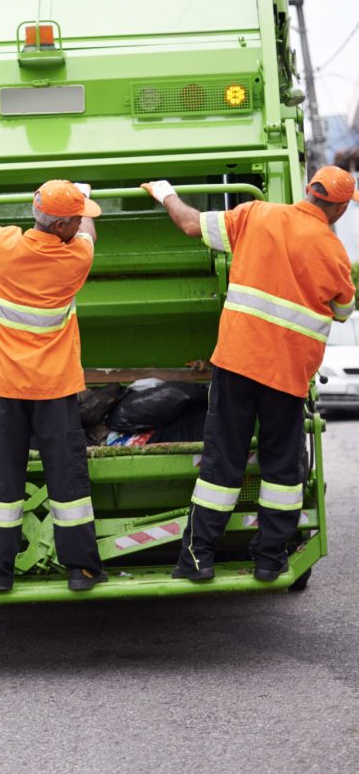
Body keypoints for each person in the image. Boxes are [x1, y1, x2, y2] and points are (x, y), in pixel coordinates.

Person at [142, 166, 357, 582]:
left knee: (222, 461)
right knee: (281, 471)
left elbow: (189, 224)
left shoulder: (255, 215)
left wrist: (165, 192)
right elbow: (344, 310)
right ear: (340, 207)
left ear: (311, 192)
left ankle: (197, 558)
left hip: (237, 365)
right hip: (287, 376)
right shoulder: (333, 253)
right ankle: (270, 559)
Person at [0, 180, 108, 593]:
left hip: (3, 386)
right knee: (67, 477)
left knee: (1, 479)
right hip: (54, 388)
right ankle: (82, 569)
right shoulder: (76, 258)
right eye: (76, 217)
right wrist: (85, 202)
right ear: (64, 226)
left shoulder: (1, 246)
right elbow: (89, 232)